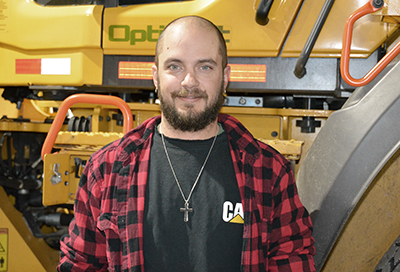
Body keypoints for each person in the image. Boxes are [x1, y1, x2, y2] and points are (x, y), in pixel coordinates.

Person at [58, 16, 315, 271]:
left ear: (225, 77)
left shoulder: (269, 171)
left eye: (205, 67)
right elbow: (81, 265)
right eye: (175, 67)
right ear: (155, 76)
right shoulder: (107, 169)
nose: (189, 82)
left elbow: (292, 263)